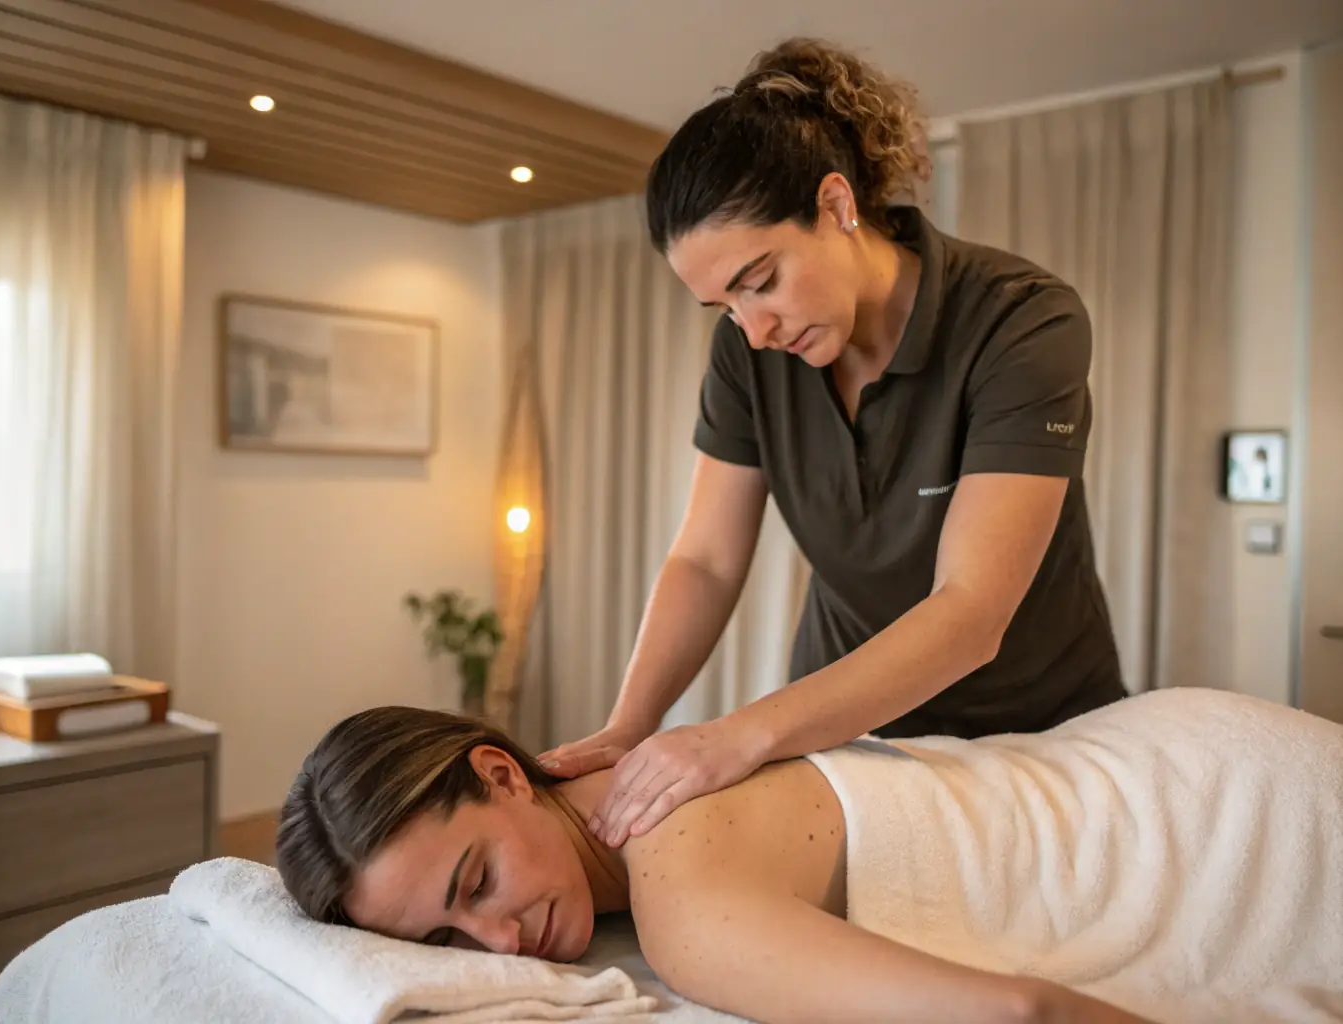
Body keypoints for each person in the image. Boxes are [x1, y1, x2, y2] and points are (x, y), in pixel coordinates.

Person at [539, 36, 1127, 848]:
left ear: (837, 204)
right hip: (845, 730)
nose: (754, 330)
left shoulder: (1020, 320)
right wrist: (628, 725)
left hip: (1034, 728)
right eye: (725, 308)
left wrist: (735, 734)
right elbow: (705, 559)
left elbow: (969, 610)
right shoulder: (750, 358)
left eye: (759, 282)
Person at [275, 687, 1343, 1024]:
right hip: (1154, 747)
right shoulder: (650, 763)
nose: (499, 940)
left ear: (503, 771)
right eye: (445, 935)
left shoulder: (685, 900)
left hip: (1219, 832)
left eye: (477, 883)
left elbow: (1021, 1017)